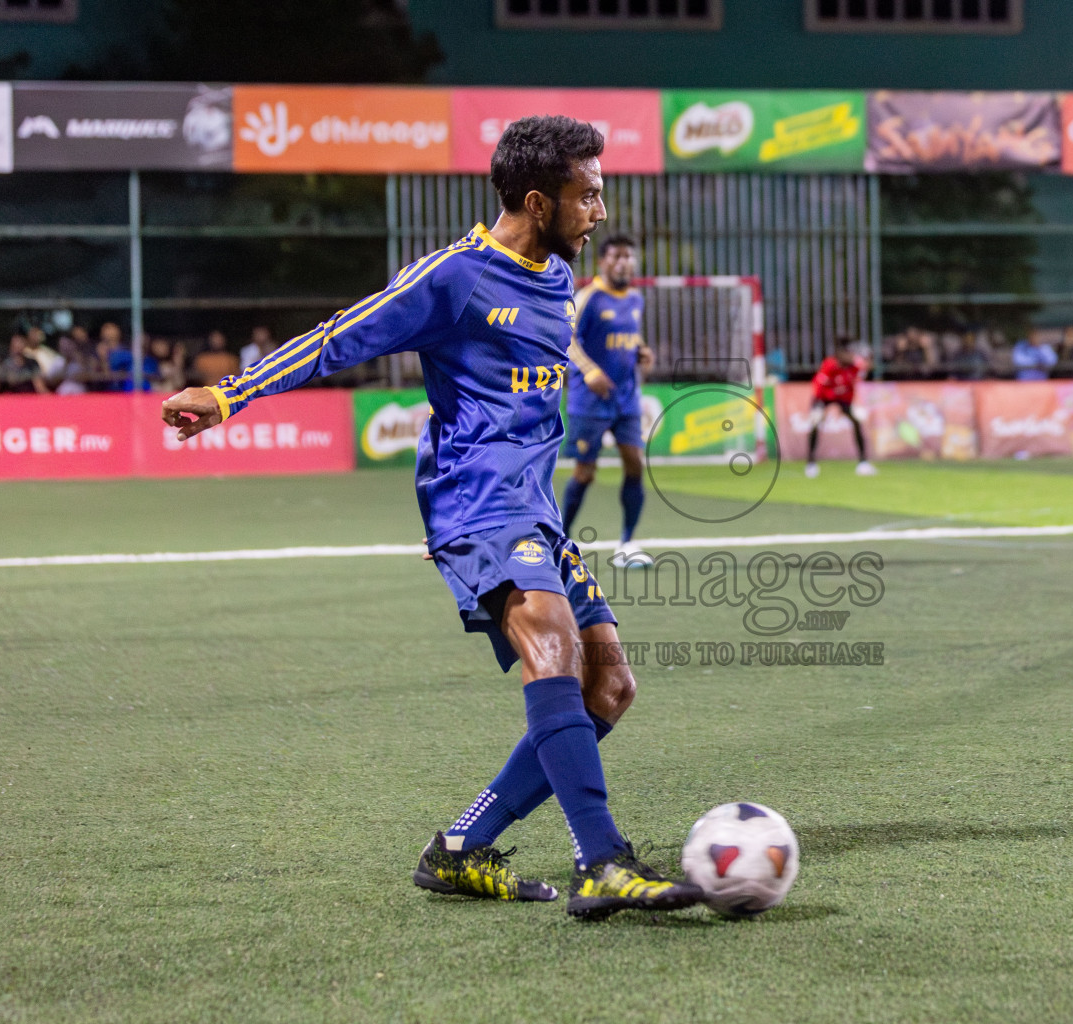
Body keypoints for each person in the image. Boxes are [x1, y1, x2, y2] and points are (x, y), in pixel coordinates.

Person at [159, 115, 704, 921]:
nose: (600, 212)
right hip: (480, 504)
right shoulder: (454, 277)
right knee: (551, 645)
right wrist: (228, 395)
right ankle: (604, 864)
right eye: (586, 197)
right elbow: (337, 338)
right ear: (535, 199)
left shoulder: (557, 276)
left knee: (611, 685)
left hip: (533, 511)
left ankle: (458, 848)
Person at [560, 234, 655, 569]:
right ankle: (559, 541)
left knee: (635, 463)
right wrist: (588, 371)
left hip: (626, 400)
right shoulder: (588, 298)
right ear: (602, 261)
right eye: (616, 256)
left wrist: (642, 351)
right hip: (590, 402)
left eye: (628, 256)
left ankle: (627, 543)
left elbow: (629, 337)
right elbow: (566, 338)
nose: (623, 262)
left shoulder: (635, 299)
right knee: (585, 472)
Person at [805, 335, 875, 477]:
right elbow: (819, 387)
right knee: (815, 422)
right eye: (848, 353)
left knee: (856, 422)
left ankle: (863, 463)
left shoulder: (854, 367)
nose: (851, 356)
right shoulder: (829, 365)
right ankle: (811, 463)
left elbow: (862, 374)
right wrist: (818, 407)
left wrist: (867, 366)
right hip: (824, 398)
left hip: (844, 400)